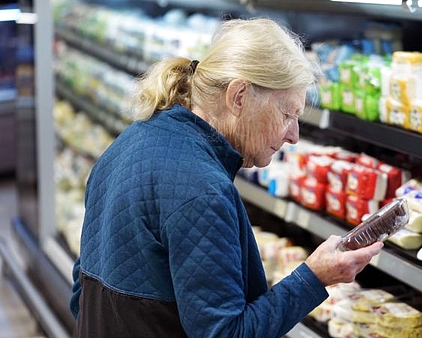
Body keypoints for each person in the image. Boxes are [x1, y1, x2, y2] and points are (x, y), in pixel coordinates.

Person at [69, 17, 383, 338]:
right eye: (287, 114)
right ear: (239, 96)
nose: (294, 135)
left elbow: (83, 286)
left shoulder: (128, 142)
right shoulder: (202, 191)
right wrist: (314, 278)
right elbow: (226, 334)